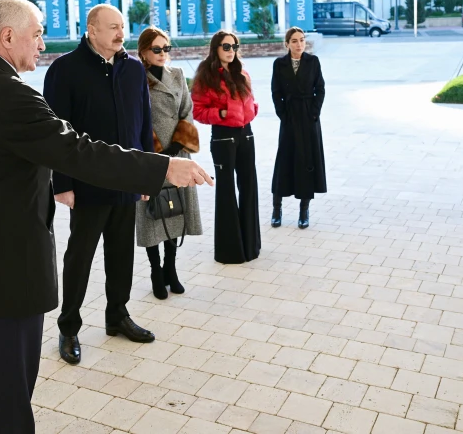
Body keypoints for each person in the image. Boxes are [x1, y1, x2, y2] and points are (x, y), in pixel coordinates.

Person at [0, 0, 212, 434]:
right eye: (37, 34)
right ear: (7, 36)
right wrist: (163, 167)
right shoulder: (9, 94)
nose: (42, 44)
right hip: (0, 283)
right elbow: (78, 151)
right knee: (4, 406)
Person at [43, 4, 156, 366]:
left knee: (122, 254)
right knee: (80, 256)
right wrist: (62, 183)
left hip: (127, 181)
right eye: (112, 27)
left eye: (122, 27)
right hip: (87, 184)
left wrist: (147, 174)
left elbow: (144, 125)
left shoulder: (134, 69)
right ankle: (68, 327)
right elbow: (55, 132)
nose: (121, 33)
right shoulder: (65, 69)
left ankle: (117, 316)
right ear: (91, 30)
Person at [135, 27, 203, 299]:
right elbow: (134, 117)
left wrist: (177, 145)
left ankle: (170, 269)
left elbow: (187, 110)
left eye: (166, 48)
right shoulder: (136, 77)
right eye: (156, 49)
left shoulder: (177, 74)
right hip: (150, 155)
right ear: (143, 52)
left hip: (178, 154)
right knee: (152, 212)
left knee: (174, 210)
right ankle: (155, 272)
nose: (163, 53)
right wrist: (155, 151)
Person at [192, 31, 260, 264]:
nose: (231, 51)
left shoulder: (242, 73)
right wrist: (221, 113)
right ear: (216, 48)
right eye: (226, 46)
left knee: (249, 186)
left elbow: (250, 100)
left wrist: (252, 109)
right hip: (223, 137)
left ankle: (250, 245)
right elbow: (197, 110)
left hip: (246, 134)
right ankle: (230, 251)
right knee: (226, 190)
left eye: (234, 46)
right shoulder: (206, 76)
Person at [270, 27, 327, 229]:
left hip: (309, 118)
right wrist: (283, 115)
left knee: (307, 161)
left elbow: (320, 89)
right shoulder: (279, 64)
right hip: (289, 117)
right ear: (287, 44)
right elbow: (276, 92)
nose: (299, 44)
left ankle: (304, 211)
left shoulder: (313, 62)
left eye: (302, 40)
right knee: (284, 160)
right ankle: (277, 209)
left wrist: (314, 113)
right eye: (294, 41)